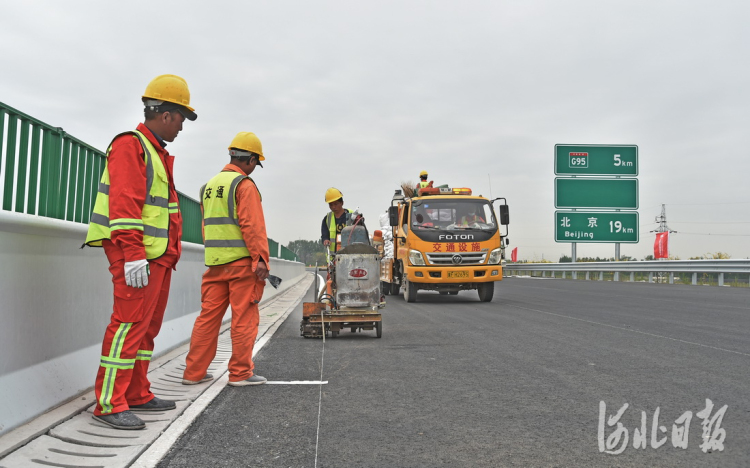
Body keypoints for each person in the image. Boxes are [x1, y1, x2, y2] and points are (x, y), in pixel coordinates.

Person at [83, 74, 197, 430]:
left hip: (157, 256)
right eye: (180, 118)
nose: (181, 127)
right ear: (165, 114)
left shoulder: (156, 152)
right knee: (128, 325)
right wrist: (132, 253)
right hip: (137, 255)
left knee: (146, 329)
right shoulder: (131, 146)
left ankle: (136, 392)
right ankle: (109, 402)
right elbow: (125, 206)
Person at [182, 132, 270, 388]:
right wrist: (261, 259)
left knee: (208, 318)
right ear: (251, 159)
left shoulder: (207, 187)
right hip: (241, 264)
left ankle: (194, 372)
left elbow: (207, 227)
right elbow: (252, 226)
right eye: (256, 163)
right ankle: (241, 373)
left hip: (215, 263)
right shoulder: (244, 185)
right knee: (244, 317)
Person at [321, 188, 350, 253]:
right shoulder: (327, 219)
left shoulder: (352, 216)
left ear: (342, 203)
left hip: (349, 255)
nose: (333, 207)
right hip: (333, 258)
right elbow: (324, 236)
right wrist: (325, 240)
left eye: (336, 204)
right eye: (331, 205)